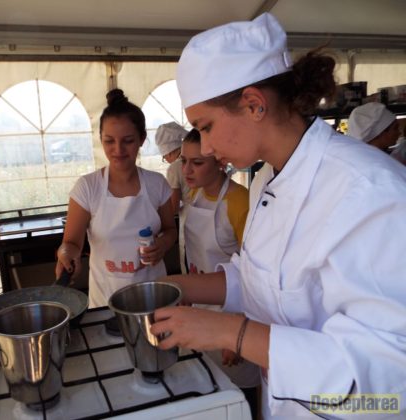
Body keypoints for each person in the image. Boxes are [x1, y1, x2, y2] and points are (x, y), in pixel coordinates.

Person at [150, 13, 406, 419]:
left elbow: (390, 379)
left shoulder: (369, 192)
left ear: (254, 104)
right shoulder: (267, 178)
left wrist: (227, 331)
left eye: (207, 126)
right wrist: (173, 287)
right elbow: (259, 280)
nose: (207, 147)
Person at [56, 89, 177, 308]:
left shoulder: (156, 184)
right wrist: (66, 253)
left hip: (154, 295)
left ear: (141, 139)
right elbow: (71, 243)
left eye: (128, 141)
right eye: (109, 141)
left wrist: (163, 244)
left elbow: (170, 230)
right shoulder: (88, 187)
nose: (118, 150)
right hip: (106, 299)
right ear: (100, 139)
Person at [180, 128, 259, 417]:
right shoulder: (194, 195)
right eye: (183, 161)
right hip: (200, 311)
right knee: (211, 392)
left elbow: (253, 275)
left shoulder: (240, 202)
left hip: (234, 317)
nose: (187, 170)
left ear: (220, 162)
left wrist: (239, 333)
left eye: (197, 163)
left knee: (240, 399)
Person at [155, 122, 191, 214]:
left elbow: (173, 207)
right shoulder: (195, 157)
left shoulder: (174, 169)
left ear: (169, 152)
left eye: (164, 157)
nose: (166, 160)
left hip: (191, 217)